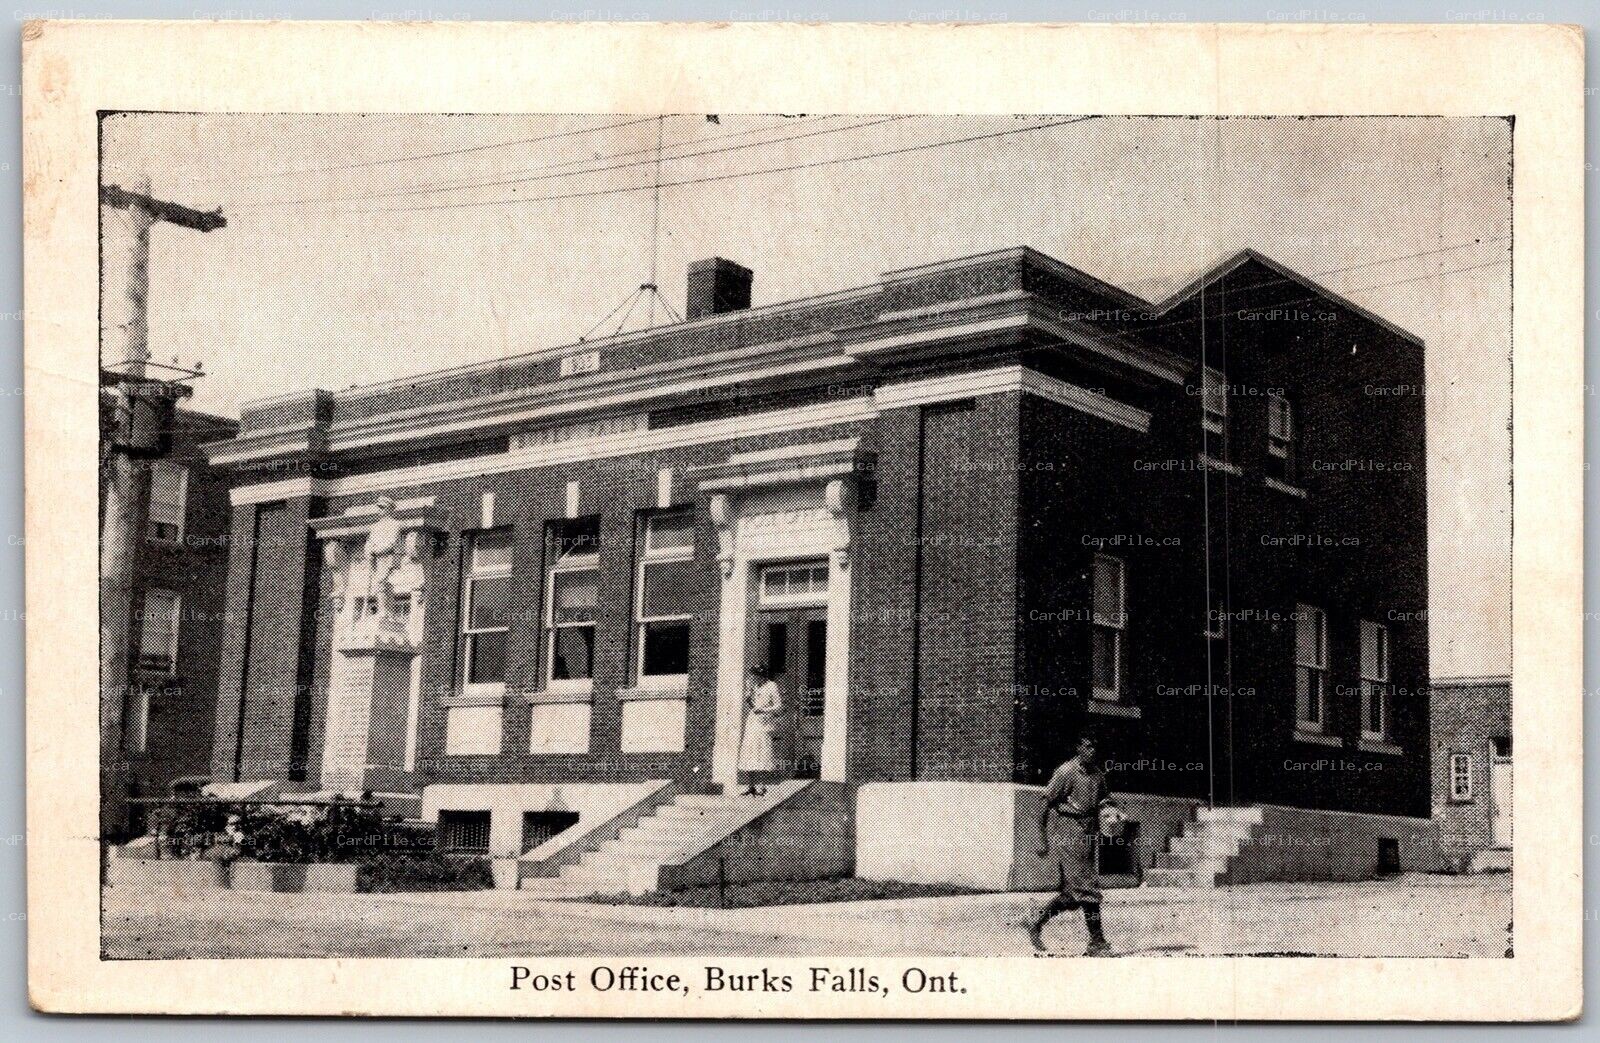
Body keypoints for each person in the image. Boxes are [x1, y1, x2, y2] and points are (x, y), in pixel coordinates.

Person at [1030, 734, 1120, 956]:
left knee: (1073, 895)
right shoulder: (1066, 772)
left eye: (1095, 747)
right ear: (1078, 747)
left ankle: (1037, 920)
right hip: (1069, 831)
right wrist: (1041, 838)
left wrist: (1111, 810)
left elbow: (1104, 798)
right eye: (1088, 746)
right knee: (1087, 887)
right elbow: (1045, 802)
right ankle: (1097, 943)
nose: (1093, 751)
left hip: (1089, 832)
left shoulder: (1098, 774)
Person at [738, 664, 783, 796]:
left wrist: (764, 710)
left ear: (763, 675)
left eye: (757, 675)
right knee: (749, 751)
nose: (755, 678)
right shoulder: (754, 686)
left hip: (764, 723)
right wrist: (748, 699)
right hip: (753, 722)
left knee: (762, 751)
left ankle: (762, 786)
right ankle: (751, 785)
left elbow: (778, 705)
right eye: (754, 675)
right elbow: (754, 707)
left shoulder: (771, 686)